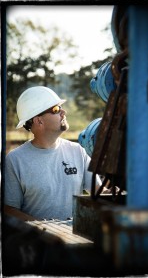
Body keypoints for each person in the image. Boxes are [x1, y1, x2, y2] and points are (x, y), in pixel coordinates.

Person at [4, 86, 104, 221]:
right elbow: (10, 209)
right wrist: (46, 231)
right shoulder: (15, 160)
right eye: (56, 109)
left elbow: (100, 193)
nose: (64, 112)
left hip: (76, 239)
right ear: (39, 121)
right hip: (37, 240)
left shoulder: (78, 151)